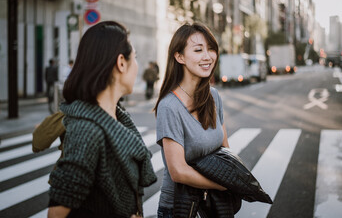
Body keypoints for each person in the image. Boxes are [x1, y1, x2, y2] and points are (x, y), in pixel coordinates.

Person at [47, 21, 157, 218]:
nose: (137, 65)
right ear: (121, 62)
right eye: (136, 57)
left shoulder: (119, 118)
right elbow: (56, 213)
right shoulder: (87, 130)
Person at [154, 22, 229, 217]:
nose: (208, 56)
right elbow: (178, 171)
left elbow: (225, 151)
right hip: (180, 208)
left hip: (214, 205)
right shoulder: (169, 106)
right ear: (179, 57)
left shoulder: (214, 97)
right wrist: (222, 184)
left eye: (211, 49)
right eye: (198, 50)